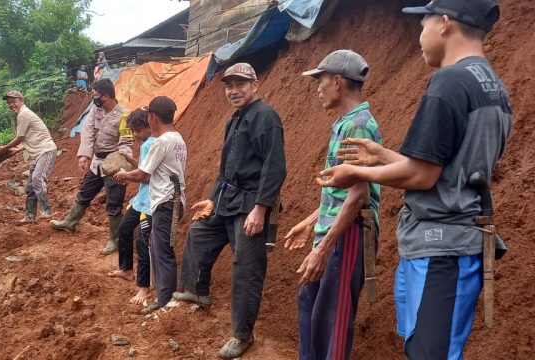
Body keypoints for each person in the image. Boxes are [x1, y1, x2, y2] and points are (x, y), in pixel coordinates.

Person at [318, 1, 511, 358]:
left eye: (422, 24)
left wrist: (357, 171)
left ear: (445, 23)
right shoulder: (492, 86)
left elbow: (422, 175)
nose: (419, 36)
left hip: (443, 246)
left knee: (430, 352)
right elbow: (447, 169)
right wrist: (382, 155)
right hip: (453, 242)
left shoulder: (449, 81)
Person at [172, 63, 287, 358]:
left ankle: (242, 334)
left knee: (246, 269)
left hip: (250, 204)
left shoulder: (265, 117)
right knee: (199, 232)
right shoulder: (234, 119)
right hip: (227, 199)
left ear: (255, 85)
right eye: (229, 85)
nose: (233, 91)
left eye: (240, 84)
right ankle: (198, 290)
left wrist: (261, 209)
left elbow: (275, 168)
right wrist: (212, 199)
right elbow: (226, 169)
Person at [284, 50, 382, 360]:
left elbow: (358, 195)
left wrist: (323, 249)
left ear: (338, 82)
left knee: (332, 322)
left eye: (321, 80)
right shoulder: (345, 124)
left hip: (348, 236)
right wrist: (312, 220)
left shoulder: (358, 126)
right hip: (332, 232)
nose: (318, 88)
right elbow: (343, 192)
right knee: (310, 308)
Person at [114, 96, 186, 314]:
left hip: (165, 202)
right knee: (158, 249)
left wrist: (124, 174)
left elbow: (143, 174)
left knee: (162, 252)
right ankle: (163, 298)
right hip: (171, 201)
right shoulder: (177, 138)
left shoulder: (160, 142)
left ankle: (165, 302)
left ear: (153, 118)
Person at [50, 78, 134, 255]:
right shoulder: (96, 110)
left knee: (114, 203)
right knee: (85, 192)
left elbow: (126, 142)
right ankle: (70, 222)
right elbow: (87, 131)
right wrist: (84, 155)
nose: (93, 98)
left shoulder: (124, 116)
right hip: (97, 162)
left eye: (95, 95)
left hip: (114, 163)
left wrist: (122, 164)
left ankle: (115, 240)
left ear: (105, 96)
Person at [105, 108, 155, 305]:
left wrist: (125, 175)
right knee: (125, 230)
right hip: (142, 198)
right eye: (133, 131)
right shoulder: (146, 145)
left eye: (138, 130)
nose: (135, 134)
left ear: (150, 125)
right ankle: (126, 269)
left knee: (143, 241)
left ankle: (144, 287)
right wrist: (129, 160)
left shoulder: (151, 144)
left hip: (151, 201)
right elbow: (143, 168)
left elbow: (146, 176)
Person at [0, 90, 58, 223]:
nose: (11, 104)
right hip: (39, 153)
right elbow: (30, 138)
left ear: (21, 101)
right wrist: (16, 150)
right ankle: (30, 216)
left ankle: (46, 211)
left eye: (14, 101)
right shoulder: (23, 114)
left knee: (37, 178)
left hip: (46, 150)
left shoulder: (23, 114)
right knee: (30, 186)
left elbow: (20, 137)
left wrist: (5, 148)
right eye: (9, 103)